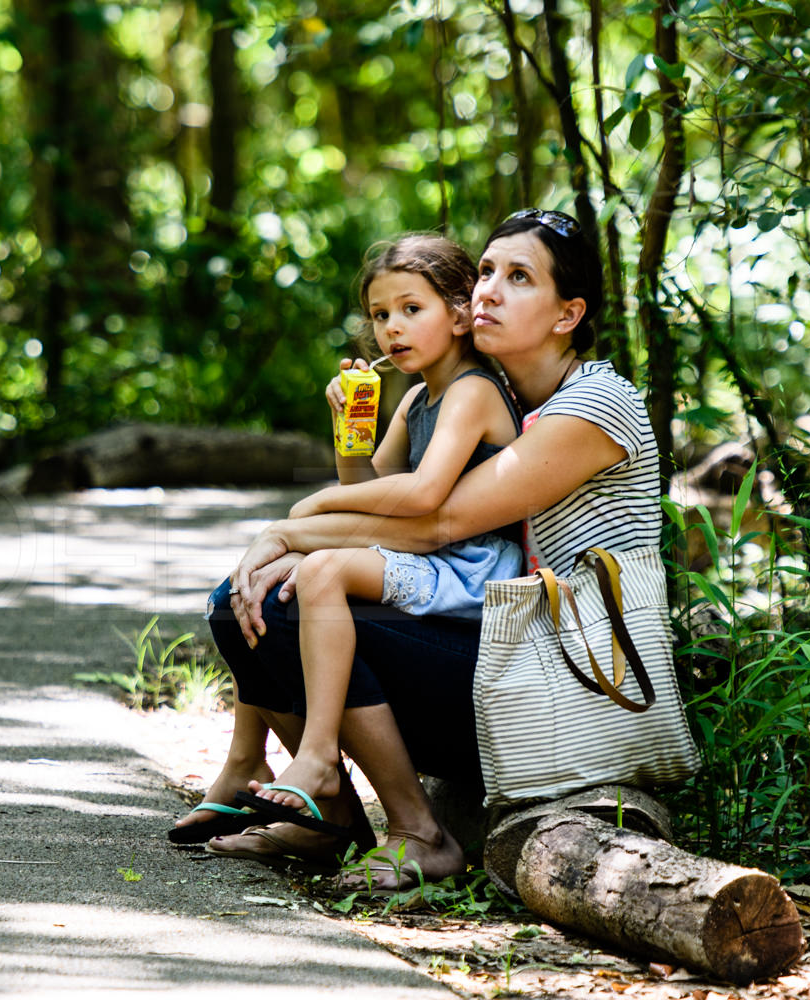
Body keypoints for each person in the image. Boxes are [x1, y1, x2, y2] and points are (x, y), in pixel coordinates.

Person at [209, 208, 662, 891]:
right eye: (485, 271)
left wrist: (291, 529)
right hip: (507, 651)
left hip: (569, 685)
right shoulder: (491, 394)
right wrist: (343, 454)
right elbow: (389, 507)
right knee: (247, 602)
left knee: (298, 594)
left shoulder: (593, 407)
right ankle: (328, 813)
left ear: (568, 315)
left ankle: (418, 830)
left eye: (518, 277)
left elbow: (432, 523)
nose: (488, 291)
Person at [167, 233, 525, 851]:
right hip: (417, 556)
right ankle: (278, 780)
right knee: (241, 596)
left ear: (461, 313)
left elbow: (421, 496)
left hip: (464, 574)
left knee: (312, 574)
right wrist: (349, 437)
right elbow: (372, 491)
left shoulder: (473, 389)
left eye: (413, 309)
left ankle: (319, 759)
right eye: (381, 315)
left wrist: (308, 512)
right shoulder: (417, 396)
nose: (393, 328)